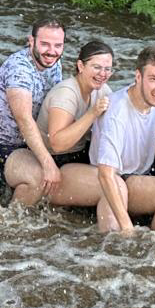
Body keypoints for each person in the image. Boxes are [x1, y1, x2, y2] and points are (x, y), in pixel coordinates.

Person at [90, 45, 155, 235]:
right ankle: (152, 242)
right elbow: (106, 174)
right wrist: (126, 226)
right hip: (121, 179)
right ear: (138, 77)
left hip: (147, 171)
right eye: (154, 79)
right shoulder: (117, 113)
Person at [11, 39, 114, 208]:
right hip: (53, 160)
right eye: (96, 67)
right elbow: (57, 143)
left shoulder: (102, 90)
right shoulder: (66, 94)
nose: (102, 74)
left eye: (107, 69)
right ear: (81, 66)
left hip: (79, 156)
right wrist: (92, 113)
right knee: (109, 186)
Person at [0, 19, 68, 206]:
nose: (51, 51)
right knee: (38, 178)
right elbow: (24, 120)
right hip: (3, 147)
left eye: (58, 45)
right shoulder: (19, 69)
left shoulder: (53, 62)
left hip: (33, 141)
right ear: (31, 41)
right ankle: (10, 224)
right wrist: (48, 164)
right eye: (45, 44)